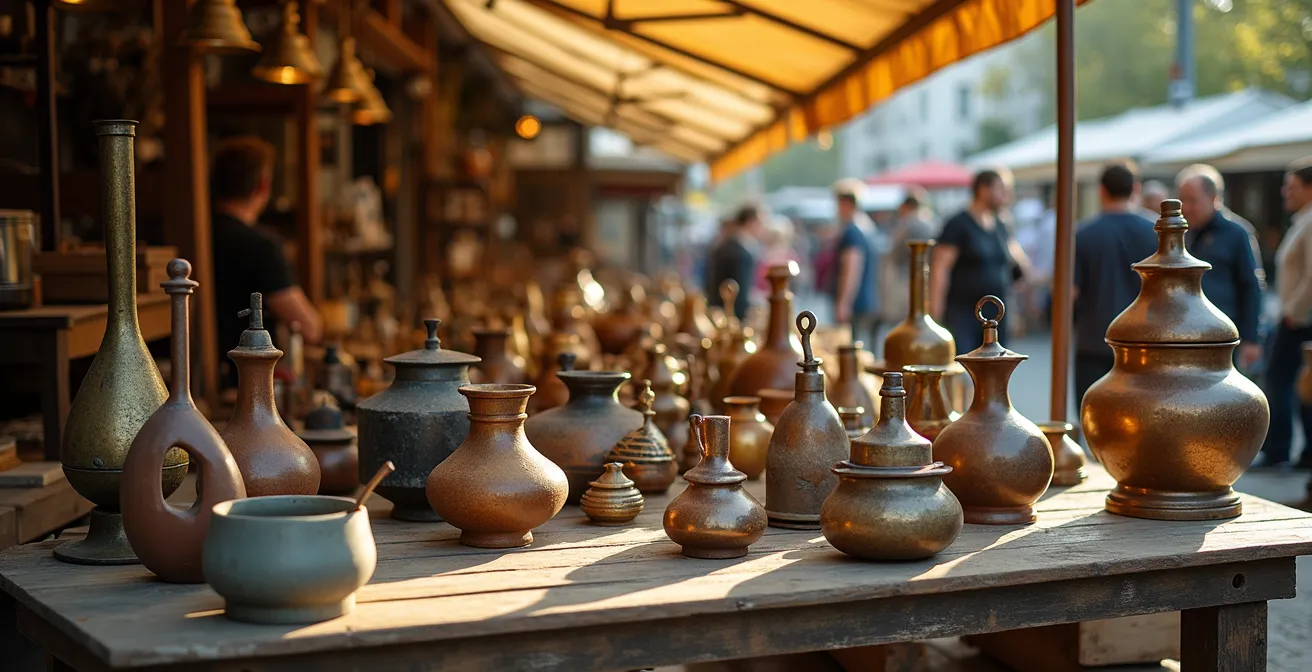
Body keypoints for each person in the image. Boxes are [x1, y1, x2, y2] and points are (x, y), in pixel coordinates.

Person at [210, 136, 321, 384]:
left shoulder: (197, 237)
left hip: (196, 376)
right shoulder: (261, 246)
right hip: (249, 381)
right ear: (263, 185)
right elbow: (308, 326)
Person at [1072, 163, 1158, 409]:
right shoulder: (1155, 232)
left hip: (1094, 338)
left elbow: (1071, 292)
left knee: (1095, 415)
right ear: (1136, 189)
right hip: (1145, 340)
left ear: (1102, 191)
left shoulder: (1084, 234)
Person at [930, 168, 1033, 354]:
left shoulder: (1001, 224)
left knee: (996, 368)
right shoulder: (958, 225)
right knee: (964, 367)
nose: (1007, 195)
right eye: (1002, 189)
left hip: (997, 315)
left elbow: (1016, 259)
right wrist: (935, 314)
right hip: (963, 313)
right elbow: (940, 268)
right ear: (983, 190)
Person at [1175, 164, 1264, 369]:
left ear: (1214, 198)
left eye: (1192, 200)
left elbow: (1252, 285)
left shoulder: (1237, 232)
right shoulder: (1183, 232)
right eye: (1183, 200)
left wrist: (1252, 338)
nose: (1186, 207)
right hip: (1186, 334)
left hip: (1224, 336)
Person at [1258, 158, 1312, 468]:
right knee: (1287, 382)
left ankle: (1281, 449)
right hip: (1295, 317)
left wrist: (1293, 311)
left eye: (1292, 186)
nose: (1284, 192)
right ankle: (1287, 450)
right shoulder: (1303, 219)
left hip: (1299, 320)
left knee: (1284, 381)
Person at [878, 189, 937, 331]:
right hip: (925, 280)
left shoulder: (909, 224)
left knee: (905, 326)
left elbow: (894, 253)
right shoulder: (931, 222)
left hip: (906, 282)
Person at [832, 179, 881, 346]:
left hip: (856, 302)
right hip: (867, 299)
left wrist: (844, 302)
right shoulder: (866, 227)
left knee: (852, 350)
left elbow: (852, 266)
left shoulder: (852, 231)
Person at [705, 205, 761, 320]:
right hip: (731, 314)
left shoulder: (727, 246)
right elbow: (740, 289)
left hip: (719, 310)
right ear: (751, 221)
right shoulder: (738, 250)